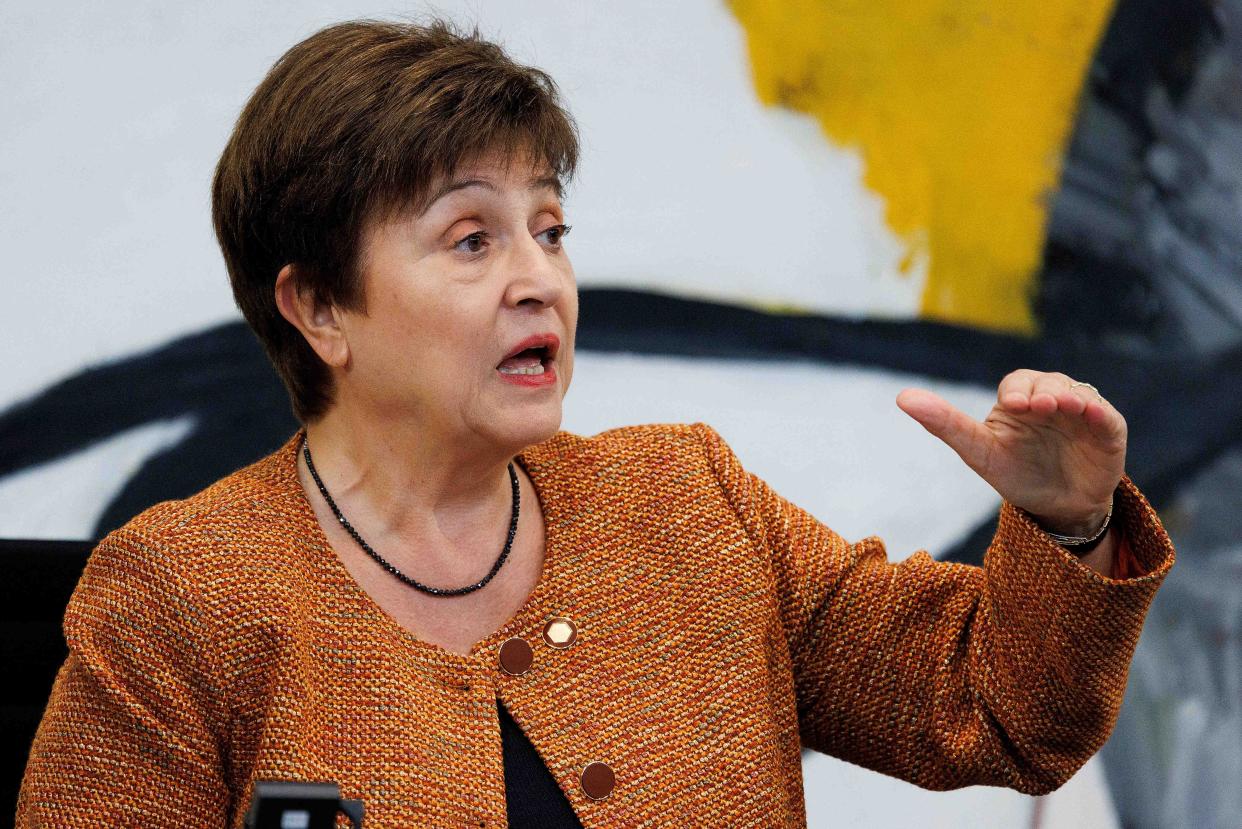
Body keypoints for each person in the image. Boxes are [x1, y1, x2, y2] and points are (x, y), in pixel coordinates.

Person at [17, 19, 1173, 829]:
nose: (540, 280)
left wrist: (1068, 526)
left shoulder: (688, 499)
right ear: (319, 305)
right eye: (473, 239)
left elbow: (994, 708)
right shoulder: (178, 594)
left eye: (551, 229)